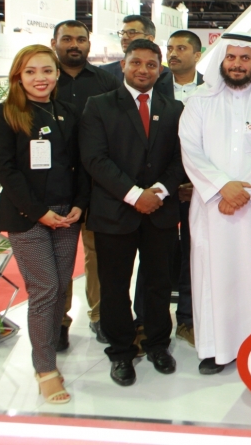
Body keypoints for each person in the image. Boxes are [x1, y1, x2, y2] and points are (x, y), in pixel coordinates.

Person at [180, 33, 251, 375]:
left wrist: (245, 193)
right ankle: (216, 349)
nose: (238, 64)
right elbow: (190, 149)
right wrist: (222, 187)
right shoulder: (199, 101)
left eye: (245, 58)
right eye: (231, 57)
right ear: (221, 60)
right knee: (214, 278)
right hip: (213, 208)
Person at [80, 39, 186, 386]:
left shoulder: (174, 109)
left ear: (160, 69)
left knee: (158, 284)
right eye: (136, 62)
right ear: (123, 64)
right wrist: (135, 195)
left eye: (151, 64)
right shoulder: (99, 105)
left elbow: (180, 159)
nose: (143, 70)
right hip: (114, 212)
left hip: (160, 211)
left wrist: (159, 192)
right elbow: (95, 158)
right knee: (114, 287)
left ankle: (157, 344)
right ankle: (122, 352)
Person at [0, 45, 91, 404]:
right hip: (27, 216)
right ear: (18, 76)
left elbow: (81, 164)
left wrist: (79, 204)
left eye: (46, 70)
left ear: (57, 74)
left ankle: (47, 354)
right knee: (45, 288)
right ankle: (45, 369)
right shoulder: (7, 113)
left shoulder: (68, 111)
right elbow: (6, 171)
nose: (40, 78)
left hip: (66, 215)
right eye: (31, 71)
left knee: (60, 288)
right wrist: (38, 212)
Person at [50, 20, 118, 346]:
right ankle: (58, 322)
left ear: (89, 44)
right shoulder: (45, 80)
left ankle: (100, 315)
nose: (74, 45)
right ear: (54, 42)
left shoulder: (106, 81)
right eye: (67, 39)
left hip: (97, 182)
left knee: (98, 253)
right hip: (56, 183)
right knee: (60, 257)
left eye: (80, 39)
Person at [146, 30, 204, 349]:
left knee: (194, 255)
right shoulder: (153, 86)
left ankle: (187, 320)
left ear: (197, 55)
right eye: (170, 48)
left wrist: (197, 182)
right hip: (160, 187)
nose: (173, 53)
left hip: (199, 188)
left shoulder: (212, 89)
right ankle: (149, 324)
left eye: (181, 48)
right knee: (156, 258)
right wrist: (168, 183)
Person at [100, 15, 166, 83]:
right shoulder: (105, 72)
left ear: (149, 39)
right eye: (122, 33)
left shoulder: (167, 77)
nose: (124, 37)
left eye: (131, 33)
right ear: (123, 64)